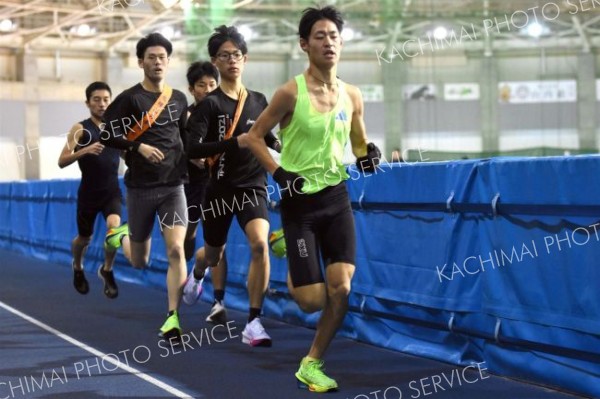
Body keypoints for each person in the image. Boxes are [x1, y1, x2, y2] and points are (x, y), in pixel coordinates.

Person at [238, 5, 381, 392]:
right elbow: (251, 137)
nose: (328, 42)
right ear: (304, 44)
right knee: (311, 301)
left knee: (342, 288)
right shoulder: (290, 92)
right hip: (299, 203)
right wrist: (279, 173)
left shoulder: (352, 94)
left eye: (334, 35)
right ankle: (285, 245)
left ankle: (311, 362)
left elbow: (359, 146)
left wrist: (370, 156)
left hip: (336, 199)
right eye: (320, 36)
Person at [184, 25, 281, 346]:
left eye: (236, 55)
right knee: (213, 256)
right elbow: (191, 149)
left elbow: (270, 139)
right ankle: (198, 271)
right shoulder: (208, 105)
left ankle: (254, 322)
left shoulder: (259, 100)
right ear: (215, 61)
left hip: (253, 185)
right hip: (220, 190)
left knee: (259, 244)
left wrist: (286, 151)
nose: (232, 61)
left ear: (245, 59)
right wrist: (233, 144)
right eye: (224, 56)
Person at [99, 32, 189, 341]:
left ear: (168, 61)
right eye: (151, 57)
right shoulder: (129, 99)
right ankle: (118, 236)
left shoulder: (179, 99)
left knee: (176, 248)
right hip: (140, 188)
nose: (157, 62)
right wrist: (138, 148)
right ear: (141, 62)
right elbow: (106, 136)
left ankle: (172, 316)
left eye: (162, 57)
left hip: (173, 186)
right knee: (140, 261)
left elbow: (185, 137)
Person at [58, 81, 130, 299]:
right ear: (88, 103)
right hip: (89, 192)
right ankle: (78, 267)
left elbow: (126, 155)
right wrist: (85, 150)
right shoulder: (80, 129)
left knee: (114, 229)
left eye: (106, 100)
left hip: (111, 190)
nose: (102, 104)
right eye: (97, 100)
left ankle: (107, 270)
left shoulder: (117, 128)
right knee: (84, 239)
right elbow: (62, 160)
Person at [183, 61, 229, 325]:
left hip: (220, 183)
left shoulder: (225, 112)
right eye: (202, 85)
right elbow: (180, 148)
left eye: (213, 84)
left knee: (218, 244)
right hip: (192, 184)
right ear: (192, 89)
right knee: (190, 235)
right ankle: (194, 271)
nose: (208, 90)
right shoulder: (186, 116)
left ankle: (218, 301)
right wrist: (194, 159)